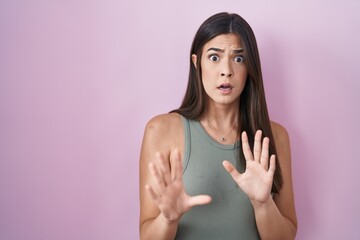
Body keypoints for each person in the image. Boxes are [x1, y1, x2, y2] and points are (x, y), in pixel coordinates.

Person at [139, 12, 297, 240]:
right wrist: (168, 219)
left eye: (239, 58)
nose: (227, 70)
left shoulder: (275, 137)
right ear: (196, 63)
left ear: (250, 68)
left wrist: (263, 204)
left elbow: (286, 237)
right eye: (214, 57)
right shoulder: (161, 130)